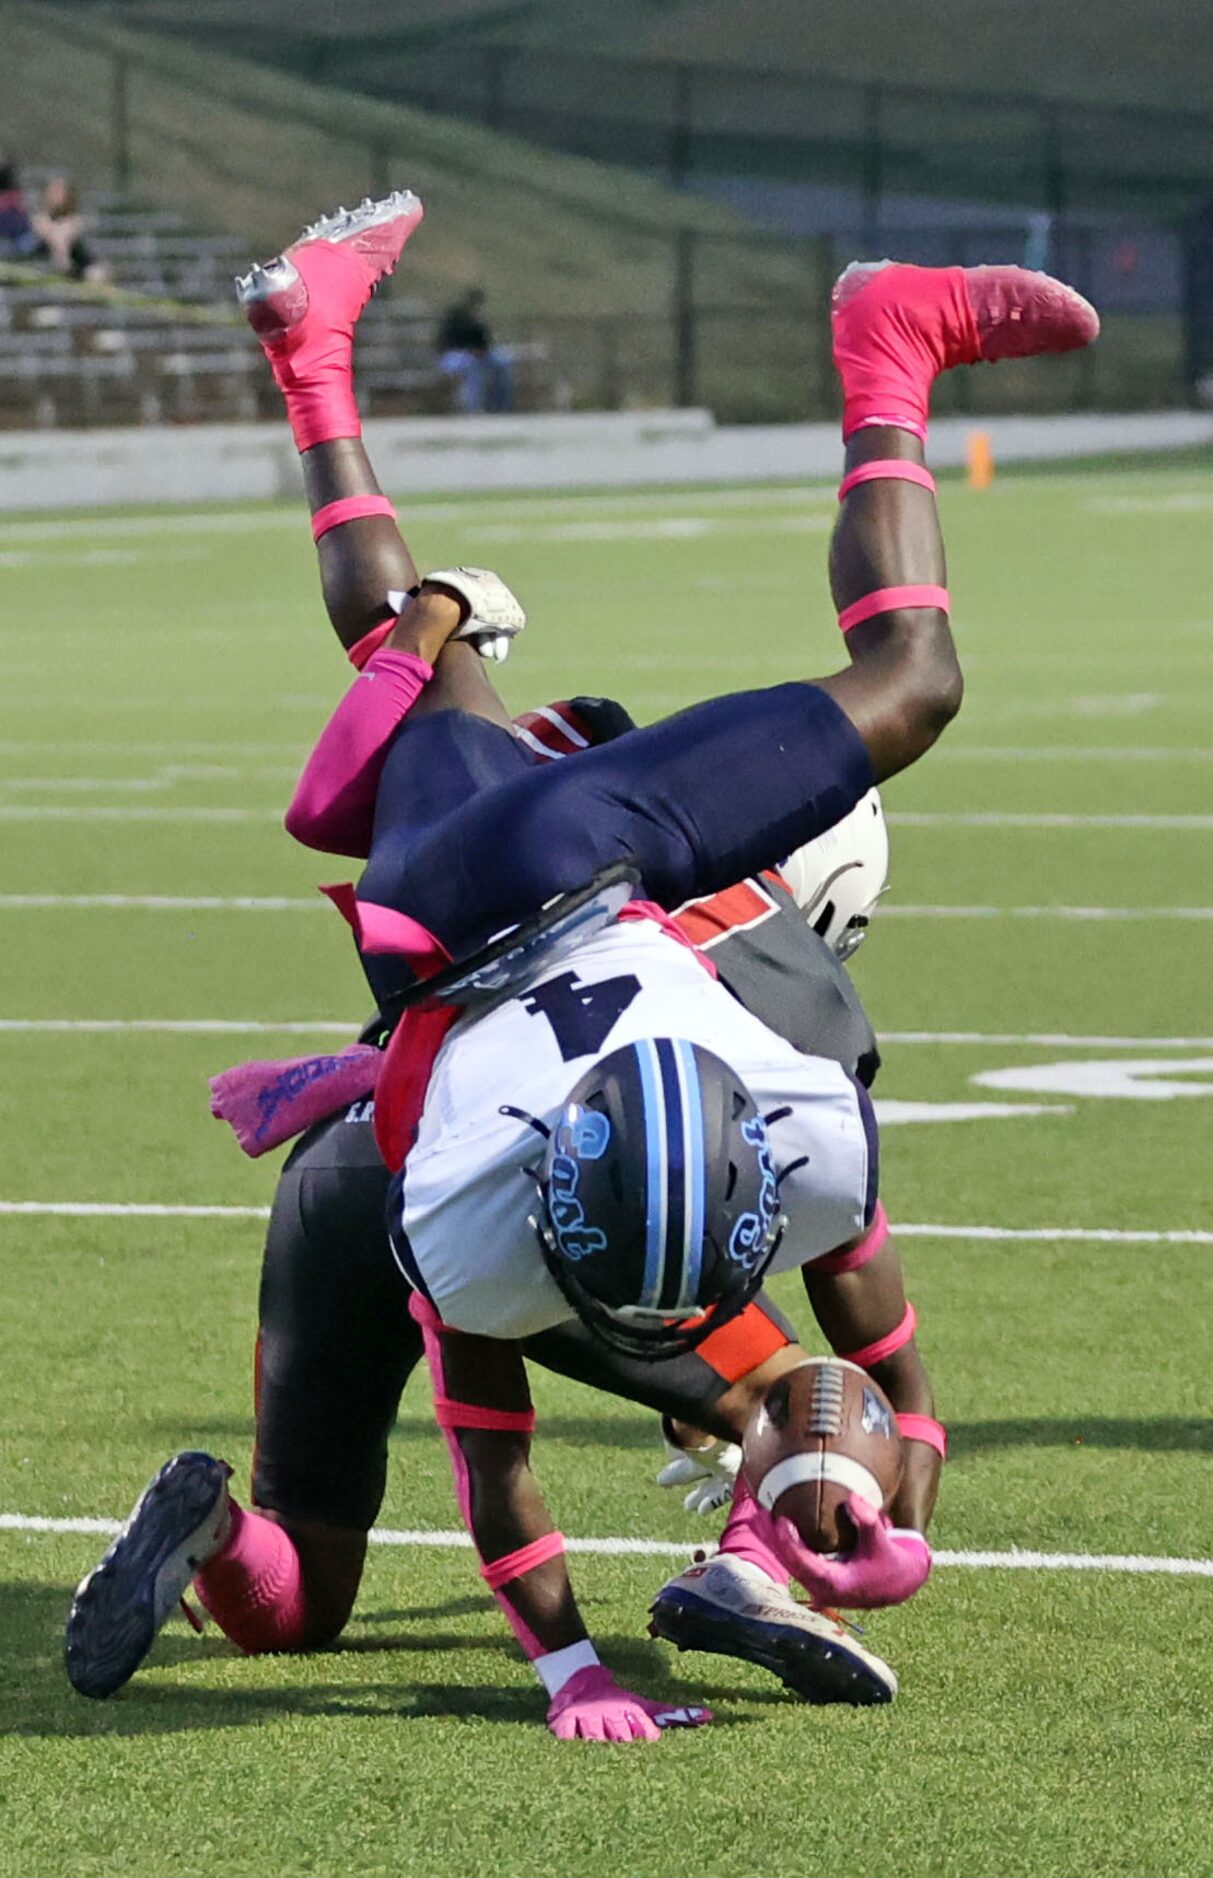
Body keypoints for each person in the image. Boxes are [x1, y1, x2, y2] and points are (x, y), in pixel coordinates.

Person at [65, 195, 1097, 1739]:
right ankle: (760, 1550)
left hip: (408, 1085)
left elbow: (497, 1449)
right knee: (782, 1394)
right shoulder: (790, 1079)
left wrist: (576, 1662)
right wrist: (889, 1497)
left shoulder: (574, 1158)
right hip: (457, 985)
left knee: (311, 1596)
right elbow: (875, 1371)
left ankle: (312, 355)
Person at [435, 284, 513, 413]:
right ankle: (473, 407)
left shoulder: (478, 320)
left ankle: (501, 406)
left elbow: (483, 341)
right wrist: (470, 350)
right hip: (453, 355)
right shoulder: (454, 317)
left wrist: (481, 349)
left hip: (478, 354)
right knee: (472, 365)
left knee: (503, 363)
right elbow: (448, 341)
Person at [29, 174, 105, 283]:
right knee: (59, 231)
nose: (57, 196)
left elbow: (80, 225)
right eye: (54, 192)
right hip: (45, 254)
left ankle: (64, 264)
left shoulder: (76, 218)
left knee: (97, 274)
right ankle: (63, 263)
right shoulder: (40, 217)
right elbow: (41, 228)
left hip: (78, 260)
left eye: (60, 192)